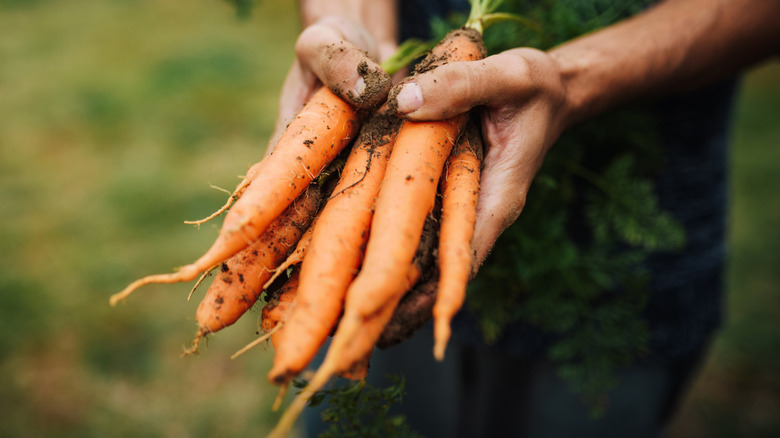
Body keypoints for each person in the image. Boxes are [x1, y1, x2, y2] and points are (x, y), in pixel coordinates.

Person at [267, 0, 780, 436]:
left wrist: (569, 82)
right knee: (354, 344)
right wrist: (348, 24)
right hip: (378, 246)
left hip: (610, 273)